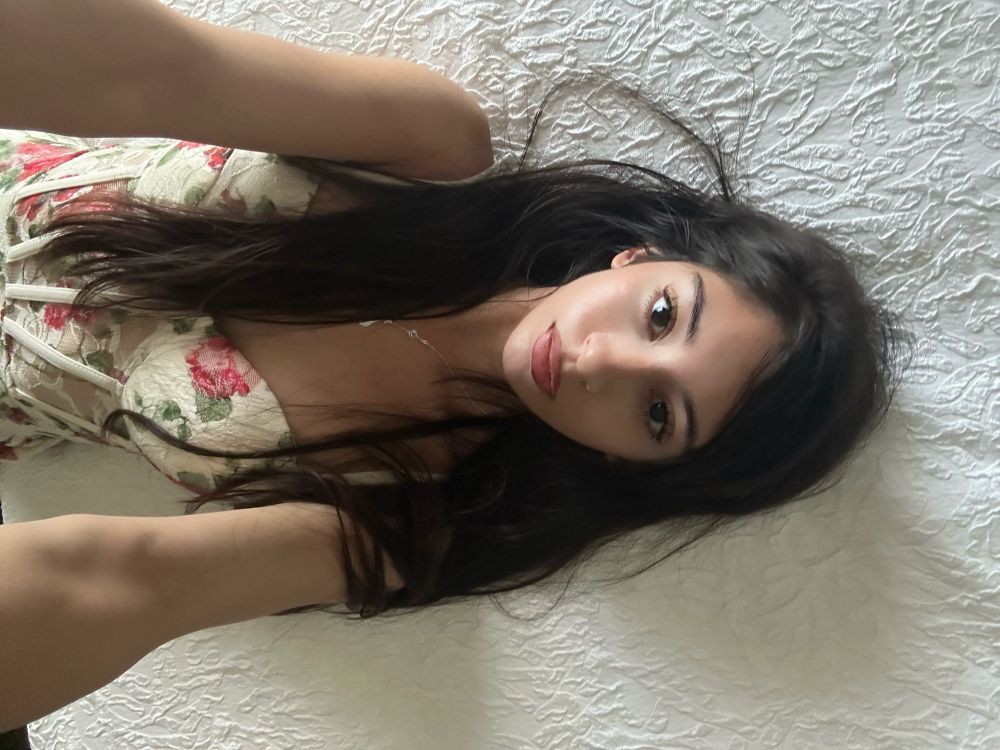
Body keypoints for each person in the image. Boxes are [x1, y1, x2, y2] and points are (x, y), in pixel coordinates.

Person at [0, 0, 909, 733]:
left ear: (630, 462)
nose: (599, 361)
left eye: (658, 413)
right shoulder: (428, 153)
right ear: (638, 258)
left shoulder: (409, 513)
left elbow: (125, 580)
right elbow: (154, 68)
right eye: (663, 316)